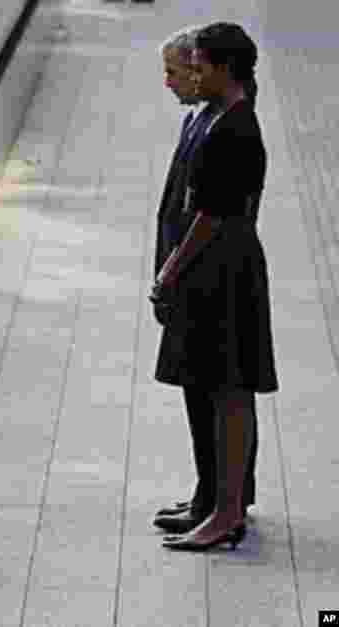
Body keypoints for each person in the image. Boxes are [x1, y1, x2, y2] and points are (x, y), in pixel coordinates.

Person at [153, 22, 278, 551]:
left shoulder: (236, 129)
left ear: (225, 70)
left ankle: (227, 512)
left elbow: (212, 215)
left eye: (200, 67)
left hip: (224, 270)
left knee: (230, 392)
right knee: (217, 386)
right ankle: (218, 502)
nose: (193, 75)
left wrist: (169, 271)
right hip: (216, 268)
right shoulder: (220, 118)